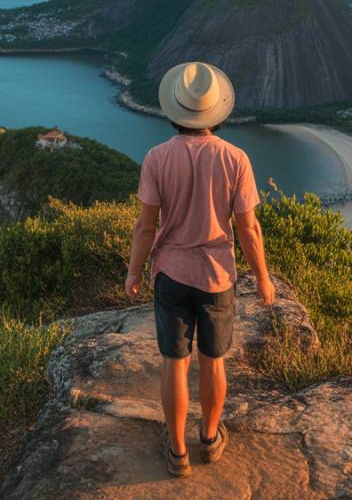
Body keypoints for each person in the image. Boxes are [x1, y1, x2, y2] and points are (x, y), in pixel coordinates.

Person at [125, 61, 276, 478]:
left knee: (175, 363)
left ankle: (177, 452)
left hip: (171, 274)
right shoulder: (235, 159)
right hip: (217, 278)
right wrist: (263, 278)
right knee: (214, 362)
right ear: (217, 112)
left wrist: (134, 273)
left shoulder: (156, 158)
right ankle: (209, 438)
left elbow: (145, 226)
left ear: (175, 111)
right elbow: (248, 228)